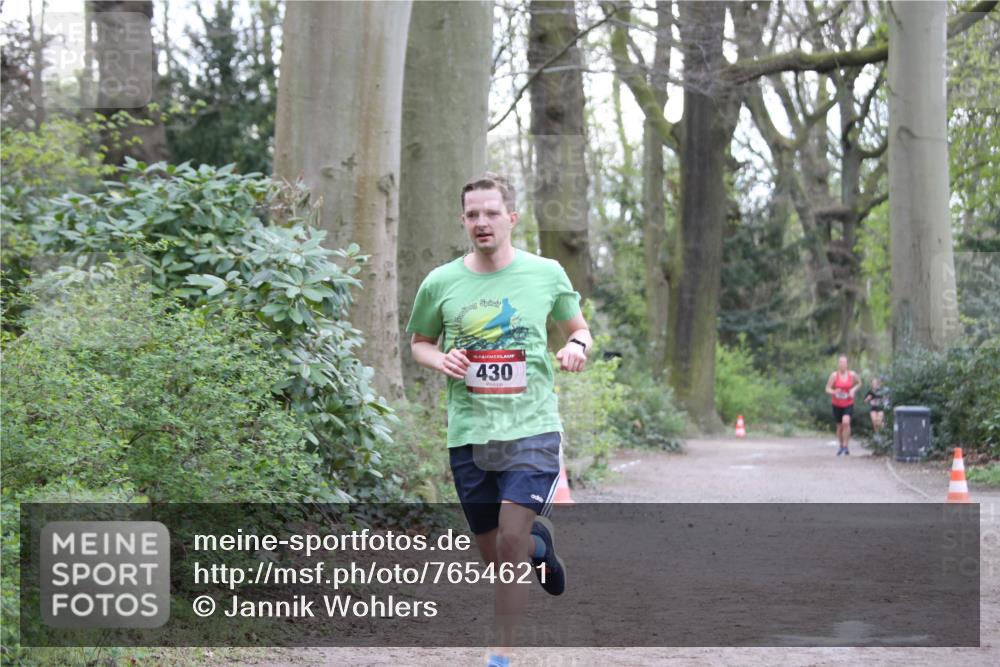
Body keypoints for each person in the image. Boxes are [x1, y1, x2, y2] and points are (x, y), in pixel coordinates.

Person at [407, 173, 591, 667]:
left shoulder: (547, 273)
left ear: (511, 217)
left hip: (531, 425)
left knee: (509, 537)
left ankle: (501, 655)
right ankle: (538, 547)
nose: (482, 222)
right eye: (472, 215)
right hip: (469, 432)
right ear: (463, 221)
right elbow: (419, 344)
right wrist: (438, 359)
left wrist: (576, 346)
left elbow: (580, 329)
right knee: (498, 556)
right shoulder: (441, 282)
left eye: (491, 213)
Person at [825, 355, 861, 456]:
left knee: (846, 422)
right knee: (840, 426)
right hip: (836, 403)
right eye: (841, 362)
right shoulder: (834, 375)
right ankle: (841, 446)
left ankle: (846, 446)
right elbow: (827, 388)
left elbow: (859, 383)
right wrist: (834, 392)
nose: (842, 364)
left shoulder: (852, 374)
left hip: (848, 403)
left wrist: (853, 389)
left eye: (844, 362)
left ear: (847, 364)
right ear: (838, 364)